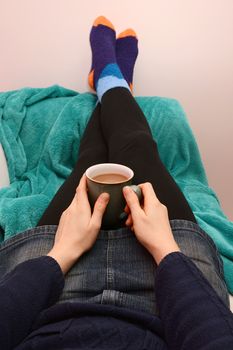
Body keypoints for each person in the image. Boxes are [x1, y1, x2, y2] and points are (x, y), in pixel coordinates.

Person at [0, 16, 233, 350]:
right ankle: (113, 81)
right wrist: (165, 248)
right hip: (172, 290)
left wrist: (61, 253)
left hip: (44, 289)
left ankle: (109, 81)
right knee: (137, 146)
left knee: (90, 161)